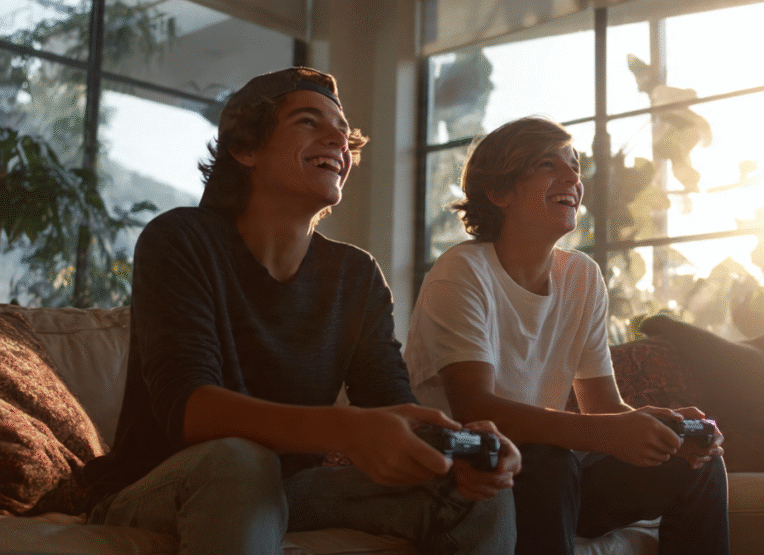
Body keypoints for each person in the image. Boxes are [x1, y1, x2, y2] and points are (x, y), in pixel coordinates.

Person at [83, 67, 520, 555]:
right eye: (309, 122)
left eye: (341, 128)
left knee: (476, 492)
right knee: (241, 463)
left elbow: (388, 402)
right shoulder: (180, 240)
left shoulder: (354, 275)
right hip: (166, 482)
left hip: (289, 490)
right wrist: (341, 429)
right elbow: (189, 410)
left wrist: (454, 444)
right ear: (245, 149)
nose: (339, 137)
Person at [405, 116, 730, 555]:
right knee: (548, 460)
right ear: (499, 193)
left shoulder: (581, 276)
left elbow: (603, 408)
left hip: (550, 480)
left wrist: (653, 424)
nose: (573, 176)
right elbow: (474, 407)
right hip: (468, 473)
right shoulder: (461, 273)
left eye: (574, 164)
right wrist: (607, 434)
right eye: (547, 164)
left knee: (695, 462)